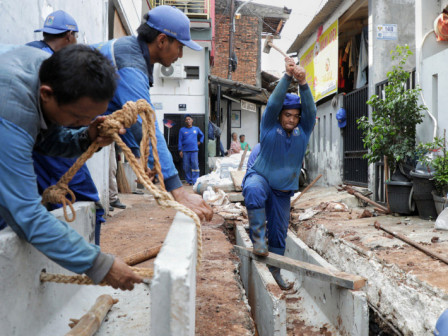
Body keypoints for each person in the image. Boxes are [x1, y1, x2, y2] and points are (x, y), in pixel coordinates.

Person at [0, 44, 141, 290]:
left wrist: (86, 136)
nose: (81, 123)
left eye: (90, 117)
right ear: (46, 94)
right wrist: (99, 264)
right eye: (77, 118)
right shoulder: (11, 113)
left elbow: (46, 139)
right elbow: (27, 216)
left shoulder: (52, 70)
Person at [94, 5, 212, 221]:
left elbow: (128, 116)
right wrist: (178, 191)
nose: (181, 54)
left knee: (92, 208)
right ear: (161, 41)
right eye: (180, 46)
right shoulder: (130, 64)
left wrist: (139, 157)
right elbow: (147, 127)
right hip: (53, 129)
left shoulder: (131, 52)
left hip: (69, 130)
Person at [26, 10, 106, 245]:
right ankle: (91, 257)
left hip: (33, 146)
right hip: (44, 144)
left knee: (48, 202)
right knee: (88, 201)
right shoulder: (53, 65)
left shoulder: (29, 50)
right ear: (70, 35)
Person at [242, 58, 316, 290]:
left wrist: (303, 84)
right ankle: (258, 240)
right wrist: (287, 76)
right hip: (261, 178)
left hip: (282, 190)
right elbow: (274, 102)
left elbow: (311, 110)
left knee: (280, 233)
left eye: (295, 116)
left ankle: (275, 273)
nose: (291, 120)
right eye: (287, 115)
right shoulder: (269, 126)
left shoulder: (303, 131)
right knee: (253, 189)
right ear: (280, 115)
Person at [179, 114, 204, 185]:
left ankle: (195, 180)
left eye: (189, 119)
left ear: (192, 120)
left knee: (195, 165)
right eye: (186, 120)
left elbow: (202, 135)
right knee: (186, 166)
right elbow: (180, 140)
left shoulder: (196, 129)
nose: (188, 121)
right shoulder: (182, 130)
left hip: (194, 151)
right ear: (185, 121)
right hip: (185, 151)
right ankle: (189, 181)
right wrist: (180, 150)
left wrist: (200, 141)